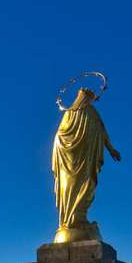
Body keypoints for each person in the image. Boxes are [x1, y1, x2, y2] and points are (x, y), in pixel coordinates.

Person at [51, 87, 120, 243]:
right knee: (68, 189)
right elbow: (60, 135)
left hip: (86, 159)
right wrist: (66, 147)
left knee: (87, 186)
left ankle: (79, 219)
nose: (87, 101)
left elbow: (102, 133)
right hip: (69, 160)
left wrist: (111, 149)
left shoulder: (93, 113)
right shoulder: (69, 113)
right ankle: (69, 223)